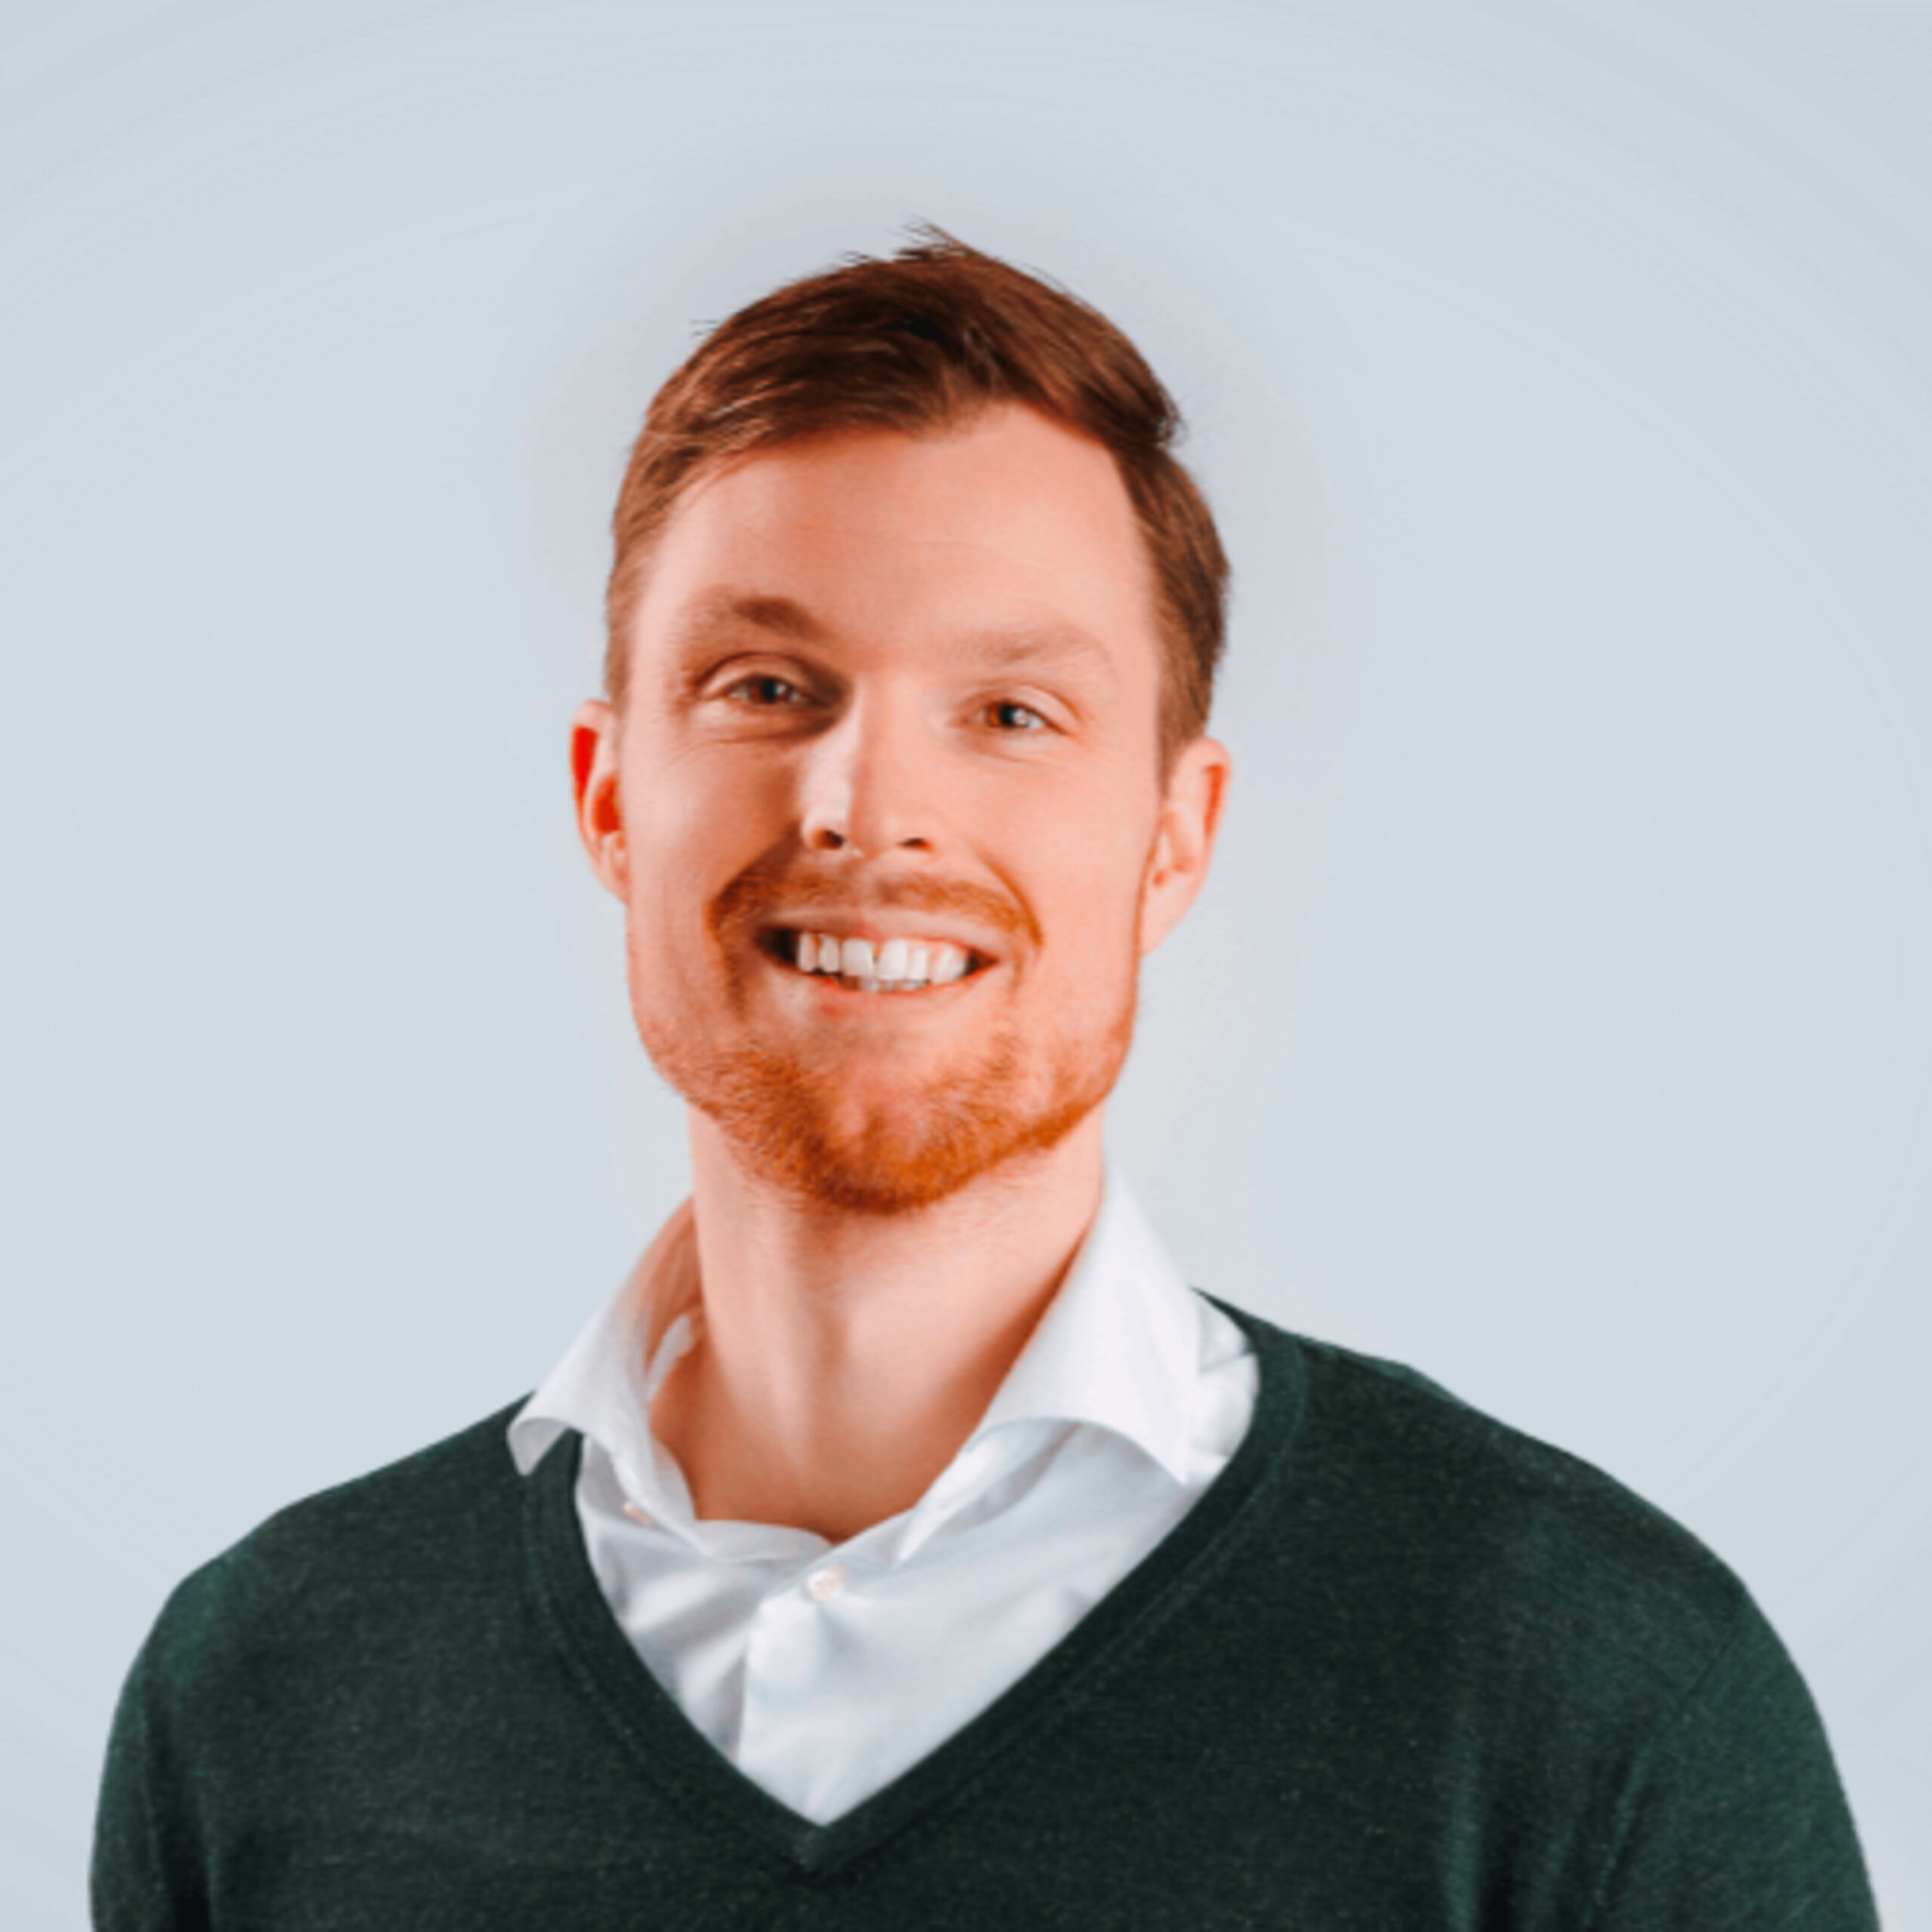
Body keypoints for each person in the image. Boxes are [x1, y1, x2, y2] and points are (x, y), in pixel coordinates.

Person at [91, 231, 1878, 1929]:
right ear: (609, 796)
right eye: (765, 684)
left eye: (1011, 711)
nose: (865, 804)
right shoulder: (263, 1690)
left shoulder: (1586, 1683)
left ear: (1171, 837)